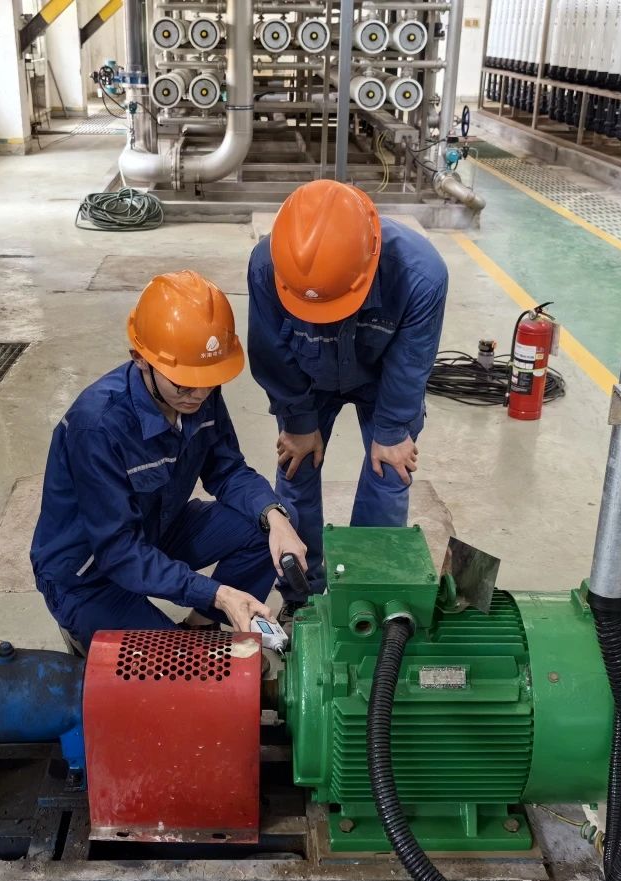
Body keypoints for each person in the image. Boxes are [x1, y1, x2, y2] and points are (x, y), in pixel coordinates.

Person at [30, 270, 307, 653]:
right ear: (140, 359)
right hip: (88, 573)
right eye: (185, 383)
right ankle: (85, 629)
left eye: (209, 381)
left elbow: (227, 470)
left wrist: (275, 517)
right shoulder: (97, 427)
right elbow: (119, 551)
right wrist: (218, 593)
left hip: (155, 532)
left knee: (269, 526)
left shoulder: (198, 390)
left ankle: (200, 628)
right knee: (179, 670)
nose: (199, 395)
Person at [247, 180, 448, 614]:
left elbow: (412, 360)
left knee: (389, 471)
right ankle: (301, 598)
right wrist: (298, 421)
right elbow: (270, 351)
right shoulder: (268, 265)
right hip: (308, 376)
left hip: (383, 378)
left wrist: (392, 429)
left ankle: (363, 599)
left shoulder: (420, 274)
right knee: (296, 465)